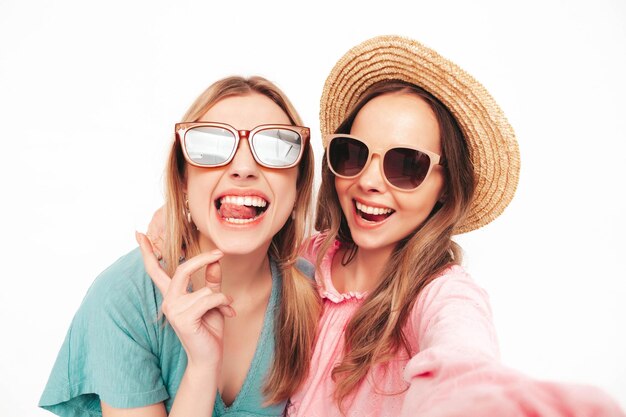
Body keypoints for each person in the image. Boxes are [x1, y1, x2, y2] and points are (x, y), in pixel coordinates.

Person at [287, 35, 625, 416]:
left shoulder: (441, 294)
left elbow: (463, 359)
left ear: (445, 187)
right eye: (354, 154)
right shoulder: (307, 258)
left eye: (405, 165)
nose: (368, 181)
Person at [39, 76, 321, 417]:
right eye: (212, 146)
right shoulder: (123, 296)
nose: (244, 168)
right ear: (183, 179)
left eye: (275, 148)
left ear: (298, 184)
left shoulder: (318, 291)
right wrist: (202, 366)